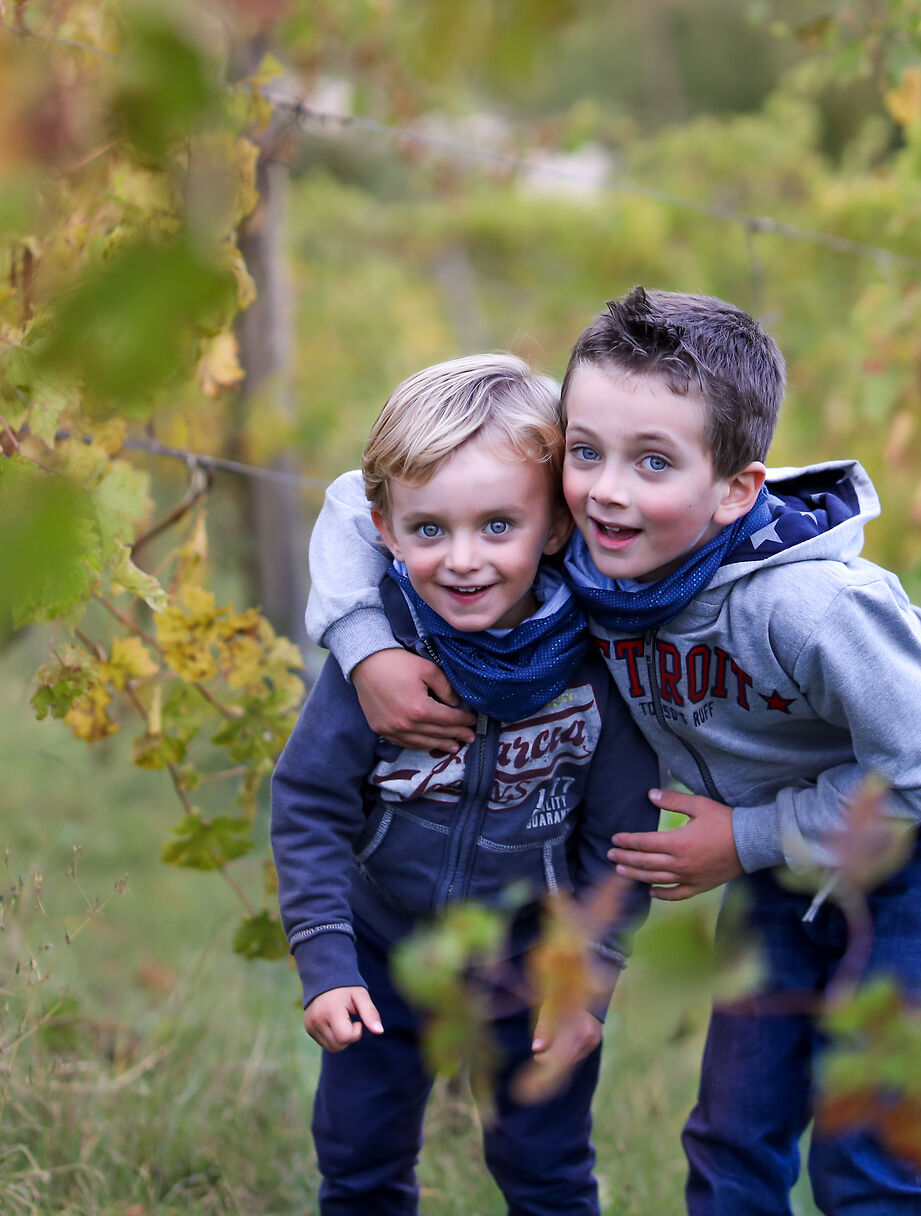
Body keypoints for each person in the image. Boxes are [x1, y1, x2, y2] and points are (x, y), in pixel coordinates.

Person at [304, 288, 921, 1216]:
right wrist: (367, 651)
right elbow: (359, 501)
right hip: (789, 816)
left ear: (736, 490)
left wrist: (750, 838)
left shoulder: (810, 607)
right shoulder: (591, 547)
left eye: (653, 462)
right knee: (734, 1124)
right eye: (586, 452)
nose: (608, 489)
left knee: (869, 1145)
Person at [271, 353, 660, 1216]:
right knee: (361, 1162)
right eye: (430, 530)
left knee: (548, 1167)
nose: (462, 560)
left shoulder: (595, 668)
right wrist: (328, 962)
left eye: (497, 526)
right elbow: (310, 802)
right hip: (383, 951)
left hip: (530, 959)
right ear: (384, 528)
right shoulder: (377, 664)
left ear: (555, 527)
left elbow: (621, 835)